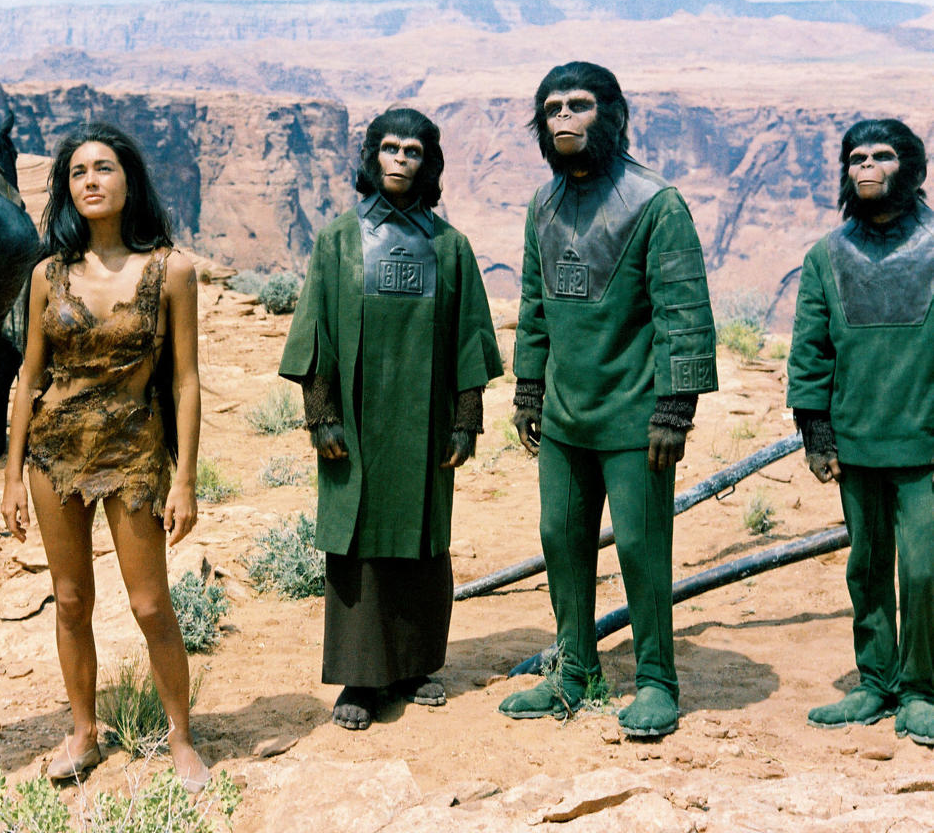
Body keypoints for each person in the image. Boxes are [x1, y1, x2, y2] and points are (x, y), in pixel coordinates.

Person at [499, 62, 717, 738]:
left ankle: (656, 679)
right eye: (553, 106)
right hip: (565, 418)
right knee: (560, 540)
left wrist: (674, 408)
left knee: (641, 549)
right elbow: (534, 305)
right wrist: (529, 387)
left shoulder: (657, 204)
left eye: (580, 104)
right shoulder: (544, 204)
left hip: (635, 417)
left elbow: (683, 312)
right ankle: (574, 671)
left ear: (612, 114)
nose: (564, 117)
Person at [279, 107, 502, 731]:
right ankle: (360, 676)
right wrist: (321, 415)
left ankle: (415, 665)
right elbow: (316, 331)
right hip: (354, 420)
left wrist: (465, 420)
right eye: (389, 148)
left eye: (412, 150)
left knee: (424, 537)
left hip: (425, 422)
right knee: (358, 543)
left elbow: (469, 340)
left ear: (429, 163)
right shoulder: (338, 240)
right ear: (371, 156)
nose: (400, 159)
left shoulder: (449, 247)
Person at [1, 123, 208, 788]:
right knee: (69, 601)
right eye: (77, 172)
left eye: (104, 168)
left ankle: (180, 737)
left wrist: (187, 482)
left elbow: (184, 380)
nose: (90, 180)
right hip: (53, 452)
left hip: (134, 449)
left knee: (151, 606)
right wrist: (11, 477)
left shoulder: (169, 269)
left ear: (130, 180)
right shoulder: (47, 275)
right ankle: (84, 733)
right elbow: (29, 378)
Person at [788, 118, 934, 745]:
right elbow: (811, 352)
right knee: (867, 567)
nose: (866, 167)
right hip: (856, 441)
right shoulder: (826, 255)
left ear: (912, 167)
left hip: (926, 445)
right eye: (855, 158)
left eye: (882, 156)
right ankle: (875, 681)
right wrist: (816, 432)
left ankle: (923, 687)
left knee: (925, 571)